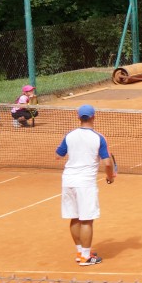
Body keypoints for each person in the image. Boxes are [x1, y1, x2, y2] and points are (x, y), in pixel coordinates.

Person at [54, 105, 115, 266]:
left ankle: (80, 252)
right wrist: (110, 177)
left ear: (79, 117)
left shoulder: (69, 135)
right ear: (94, 117)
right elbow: (108, 163)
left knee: (74, 217)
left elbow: (58, 155)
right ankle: (86, 257)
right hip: (85, 183)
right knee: (87, 220)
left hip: (68, 180)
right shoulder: (98, 138)